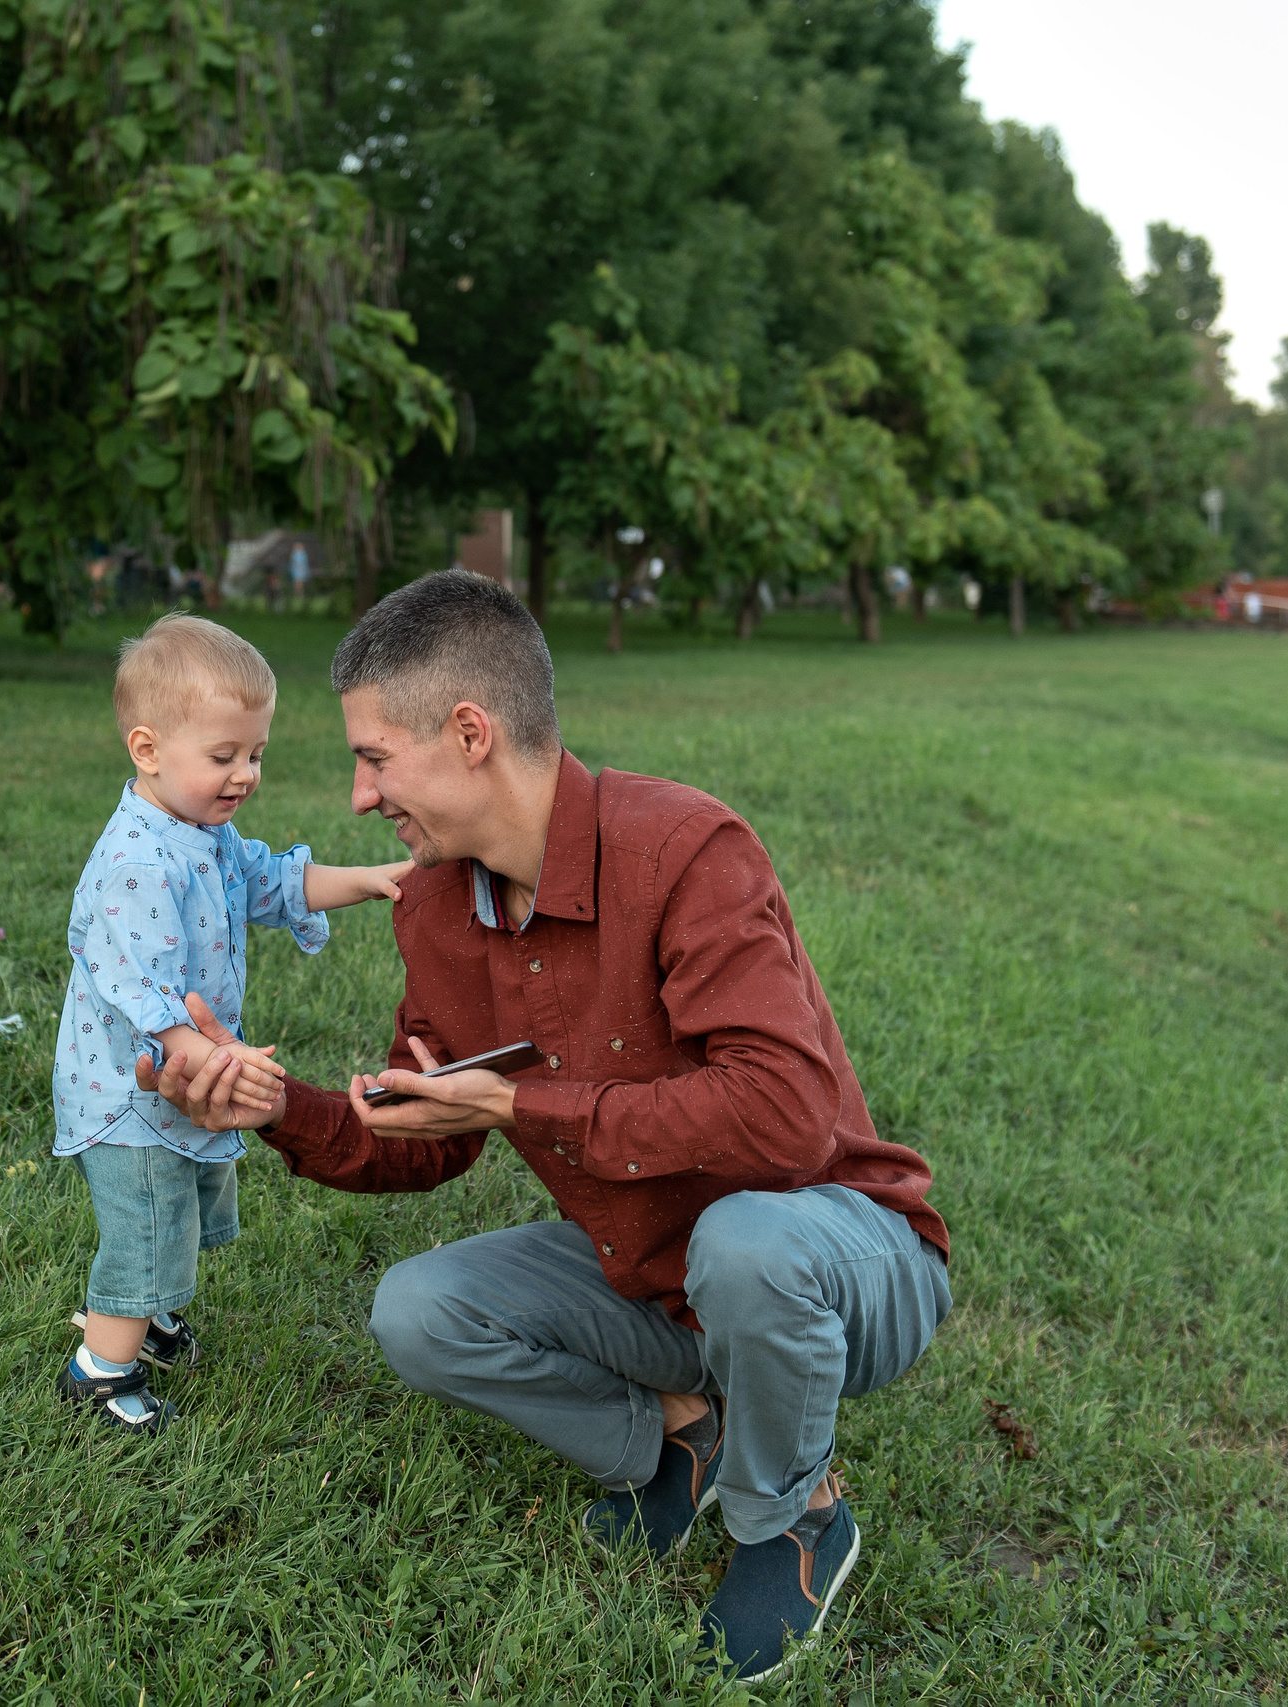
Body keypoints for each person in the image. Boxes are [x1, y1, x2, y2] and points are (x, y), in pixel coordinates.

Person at [137, 571, 951, 1682]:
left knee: (747, 1246)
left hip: (844, 1254)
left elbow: (785, 1116)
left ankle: (790, 1517)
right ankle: (678, 1441)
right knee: (418, 1310)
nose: (361, 796)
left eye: (375, 756)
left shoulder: (684, 850)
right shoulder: (432, 905)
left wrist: (527, 1103)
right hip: (653, 1274)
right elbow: (429, 1137)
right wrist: (279, 1108)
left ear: (468, 733)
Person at [54, 613, 410, 1432]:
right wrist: (199, 1053)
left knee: (184, 1201)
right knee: (146, 1222)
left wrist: (376, 877)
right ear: (148, 750)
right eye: (225, 756)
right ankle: (101, 1371)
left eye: (256, 753)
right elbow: (135, 983)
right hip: (131, 1094)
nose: (245, 774)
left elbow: (274, 883)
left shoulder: (204, 834)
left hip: (180, 1082)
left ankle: (155, 1317)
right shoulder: (138, 857)